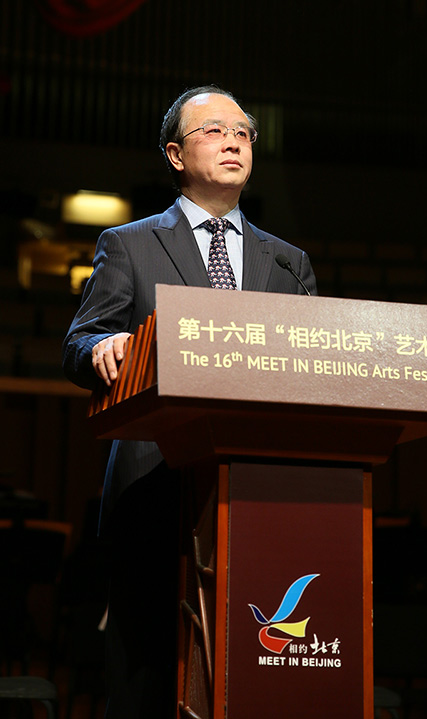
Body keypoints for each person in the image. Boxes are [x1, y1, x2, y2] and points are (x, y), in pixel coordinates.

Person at [62, 85, 318, 718]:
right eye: (214, 131)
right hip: (154, 485)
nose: (234, 140)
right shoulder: (131, 244)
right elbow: (78, 342)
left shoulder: (288, 264)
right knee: (147, 682)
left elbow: (310, 374)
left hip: (254, 491)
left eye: (243, 132)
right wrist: (102, 347)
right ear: (175, 156)